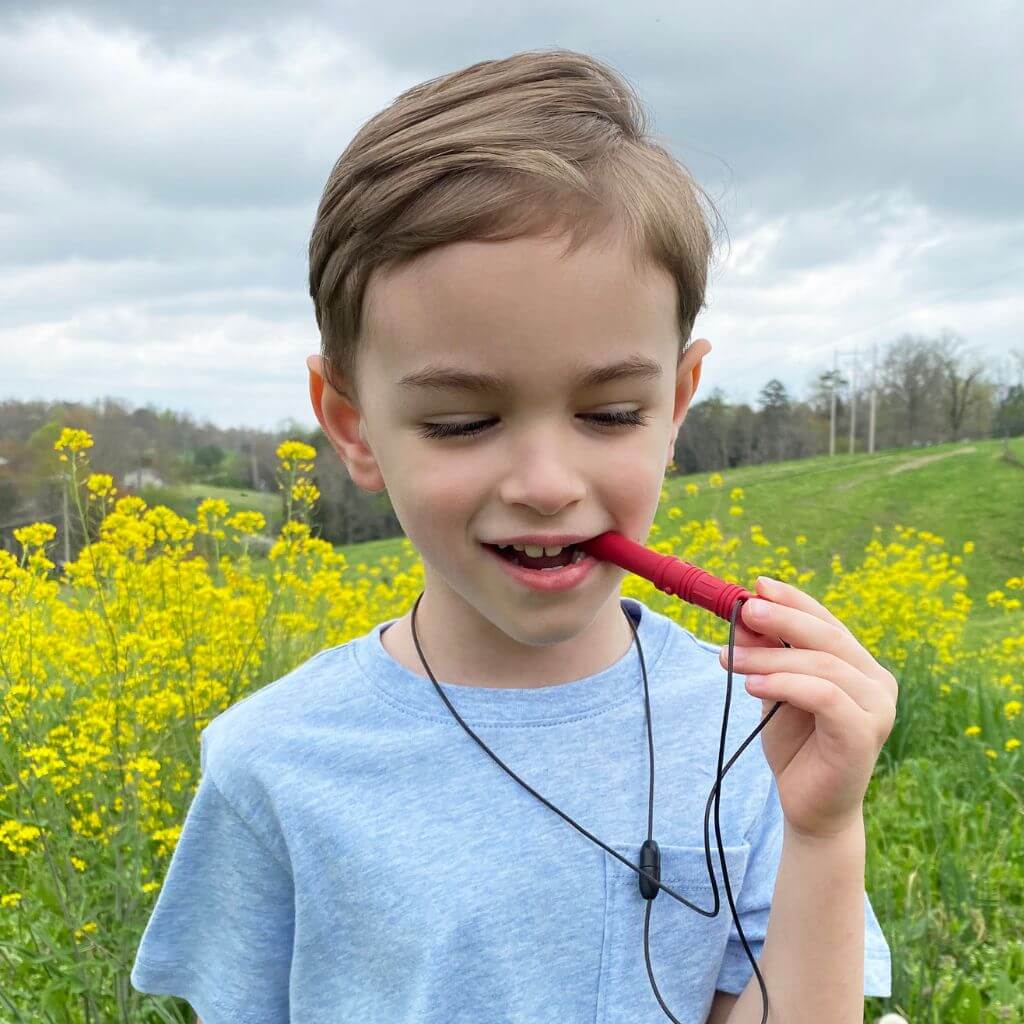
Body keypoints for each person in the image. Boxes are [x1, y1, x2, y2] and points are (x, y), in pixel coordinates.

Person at [130, 48, 895, 1023]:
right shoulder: (271, 764)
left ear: (678, 402)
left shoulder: (747, 727)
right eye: (461, 421)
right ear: (353, 423)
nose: (545, 485)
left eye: (611, 413)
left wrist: (823, 832)